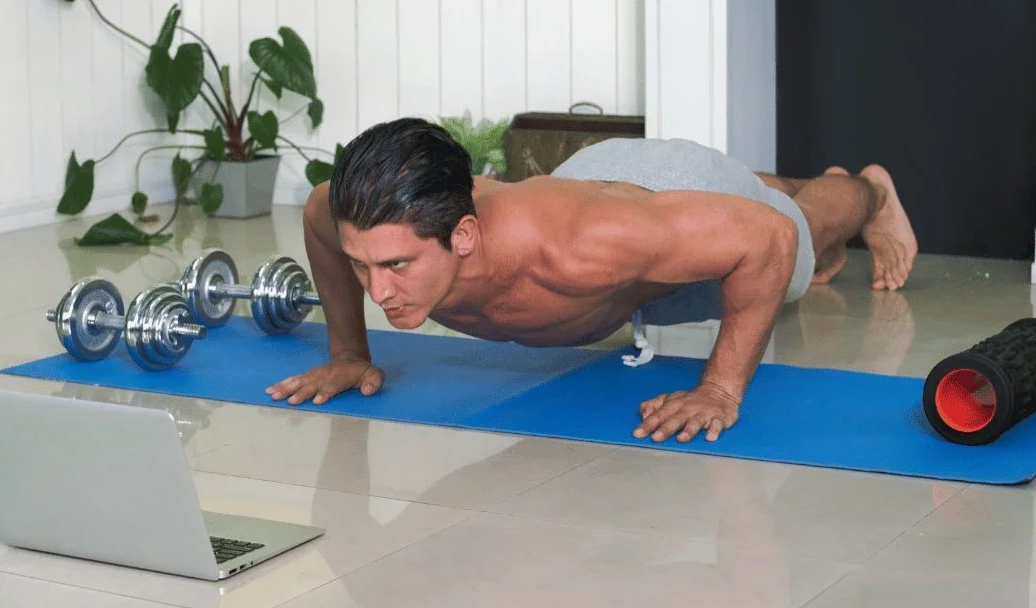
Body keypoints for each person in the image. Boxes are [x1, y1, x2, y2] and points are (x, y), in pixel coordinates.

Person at [265, 118, 918, 443]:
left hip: (656, 201)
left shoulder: (578, 249)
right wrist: (348, 352)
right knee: (746, 206)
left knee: (792, 238)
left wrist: (719, 388)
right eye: (364, 264)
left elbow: (764, 242)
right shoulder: (348, 212)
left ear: (462, 236)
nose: (377, 292)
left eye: (398, 266)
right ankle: (760, 187)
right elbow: (323, 219)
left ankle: (867, 191)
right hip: (603, 184)